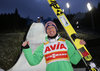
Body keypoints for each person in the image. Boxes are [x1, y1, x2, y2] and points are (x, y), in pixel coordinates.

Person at [22, 21, 86, 71]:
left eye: (52, 27)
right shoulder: (44, 46)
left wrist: (81, 47)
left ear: (56, 29)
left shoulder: (65, 42)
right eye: (48, 28)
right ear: (46, 31)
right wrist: (26, 48)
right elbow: (33, 61)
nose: (50, 30)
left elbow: (74, 60)